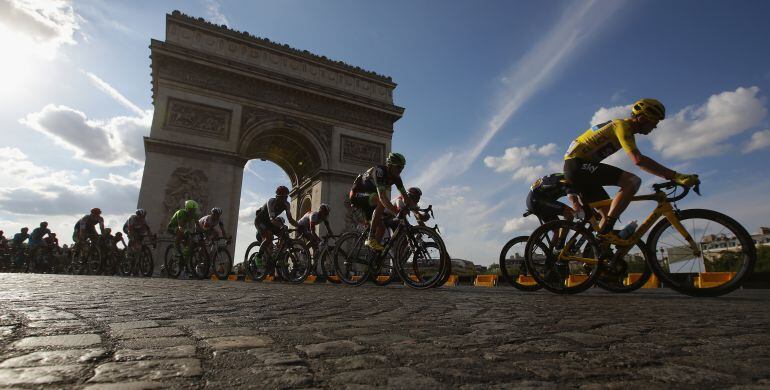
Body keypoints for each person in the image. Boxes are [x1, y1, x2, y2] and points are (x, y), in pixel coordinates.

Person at [563, 99, 699, 236]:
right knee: (632, 181)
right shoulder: (622, 126)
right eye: (654, 122)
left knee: (607, 211)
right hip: (576, 165)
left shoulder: (625, 129)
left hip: (580, 168)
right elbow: (638, 160)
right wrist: (676, 176)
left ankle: (600, 246)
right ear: (642, 118)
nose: (655, 127)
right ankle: (608, 227)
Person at [349, 152, 412, 251]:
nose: (400, 170)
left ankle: (374, 258)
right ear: (390, 165)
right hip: (358, 194)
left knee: (381, 228)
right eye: (398, 167)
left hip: (371, 198)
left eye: (402, 168)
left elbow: (406, 198)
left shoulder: (397, 178)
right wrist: (397, 213)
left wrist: (417, 210)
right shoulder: (379, 171)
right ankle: (370, 238)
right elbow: (382, 198)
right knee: (381, 201)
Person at [254, 186, 298, 258]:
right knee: (269, 237)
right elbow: (272, 219)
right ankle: (258, 257)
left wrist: (299, 226)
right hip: (260, 220)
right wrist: (281, 226)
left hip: (270, 222)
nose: (285, 199)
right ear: (277, 196)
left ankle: (278, 255)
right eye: (283, 197)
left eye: (286, 197)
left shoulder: (286, 204)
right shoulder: (271, 201)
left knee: (283, 235)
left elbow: (290, 219)